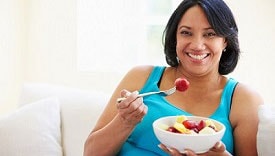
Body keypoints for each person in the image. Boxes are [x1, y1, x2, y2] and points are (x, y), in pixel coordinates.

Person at [84, 0, 263, 155]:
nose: (197, 45)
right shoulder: (140, 77)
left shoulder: (244, 99)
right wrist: (124, 121)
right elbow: (90, 153)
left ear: (225, 41)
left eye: (210, 34)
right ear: (174, 37)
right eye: (186, 32)